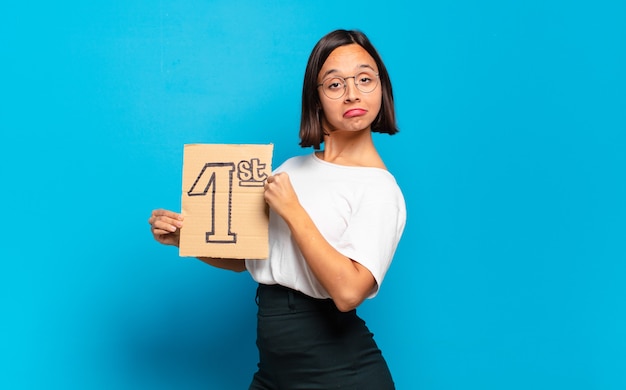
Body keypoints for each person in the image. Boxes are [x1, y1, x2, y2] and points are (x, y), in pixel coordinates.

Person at [149, 29, 406, 389]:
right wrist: (185, 240)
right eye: (335, 84)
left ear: (382, 88)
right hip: (275, 371)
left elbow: (349, 293)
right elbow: (249, 259)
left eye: (365, 79)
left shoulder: (379, 188)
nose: (352, 93)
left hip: (340, 374)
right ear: (315, 99)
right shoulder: (290, 169)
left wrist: (294, 211)